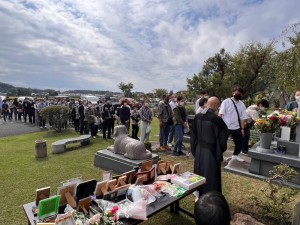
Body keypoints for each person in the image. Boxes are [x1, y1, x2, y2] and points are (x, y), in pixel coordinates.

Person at [190, 97, 229, 196]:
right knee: (211, 175)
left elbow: (193, 135)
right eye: (218, 105)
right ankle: (211, 196)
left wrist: (194, 150)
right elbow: (223, 136)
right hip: (211, 152)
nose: (218, 107)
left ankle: (198, 193)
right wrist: (220, 151)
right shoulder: (216, 119)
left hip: (199, 150)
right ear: (215, 104)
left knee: (199, 172)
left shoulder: (197, 116)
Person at [219, 86, 247, 163]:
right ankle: (220, 156)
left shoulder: (241, 104)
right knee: (222, 143)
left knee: (240, 142)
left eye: (240, 94)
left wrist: (242, 129)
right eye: (237, 93)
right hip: (226, 126)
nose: (238, 95)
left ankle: (235, 156)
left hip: (236, 127)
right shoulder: (226, 102)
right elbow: (220, 114)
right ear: (233, 93)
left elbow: (242, 118)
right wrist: (219, 126)